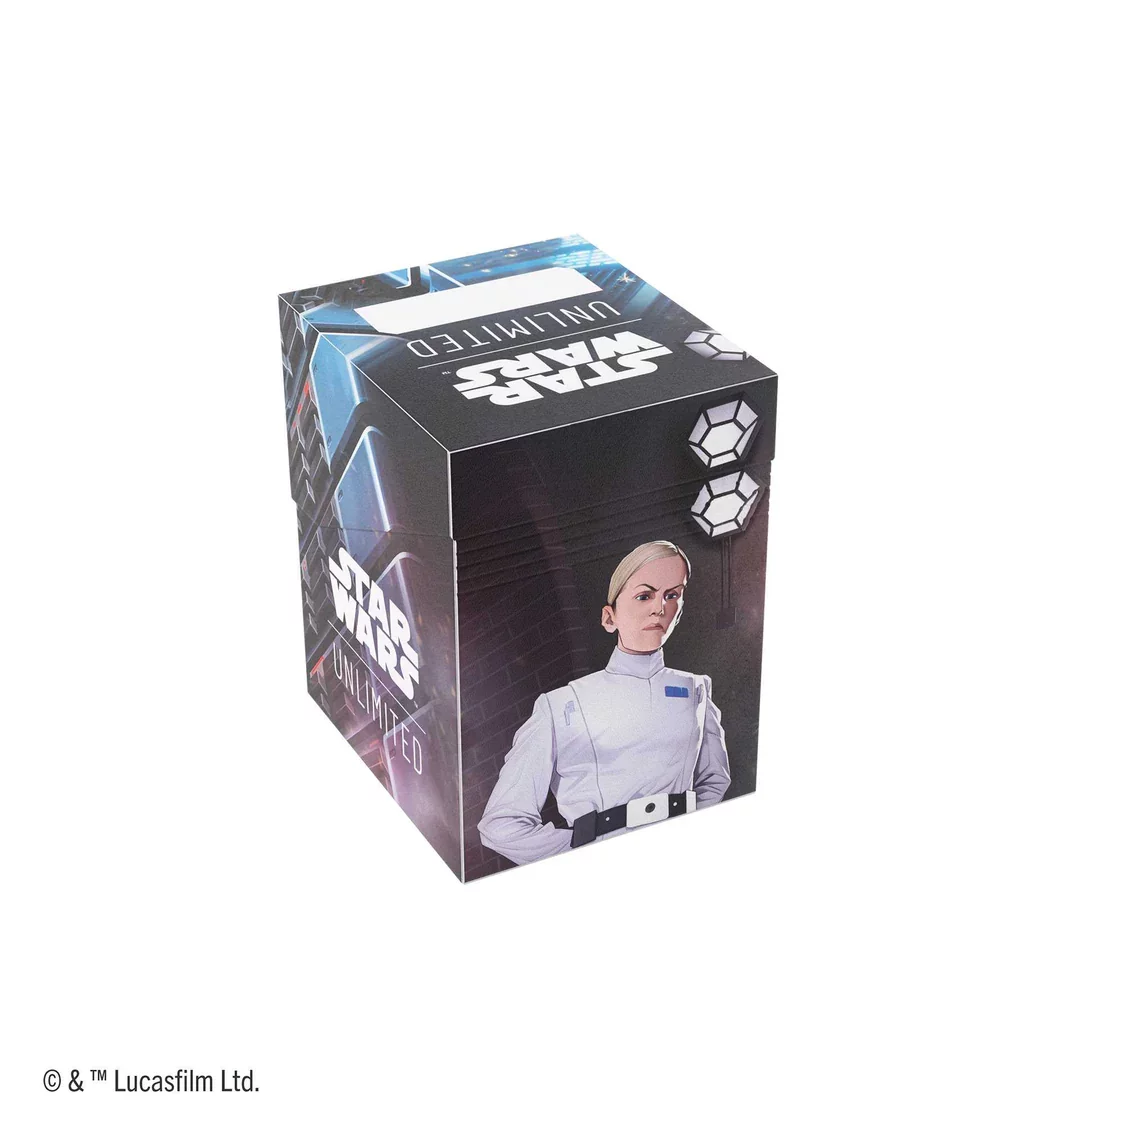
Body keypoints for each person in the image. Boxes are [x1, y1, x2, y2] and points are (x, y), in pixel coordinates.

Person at [477, 540, 731, 865]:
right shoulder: (561, 705)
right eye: (644, 595)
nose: (659, 608)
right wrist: (580, 850)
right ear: (609, 617)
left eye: (672, 595)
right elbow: (500, 825)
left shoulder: (695, 689)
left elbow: (715, 780)